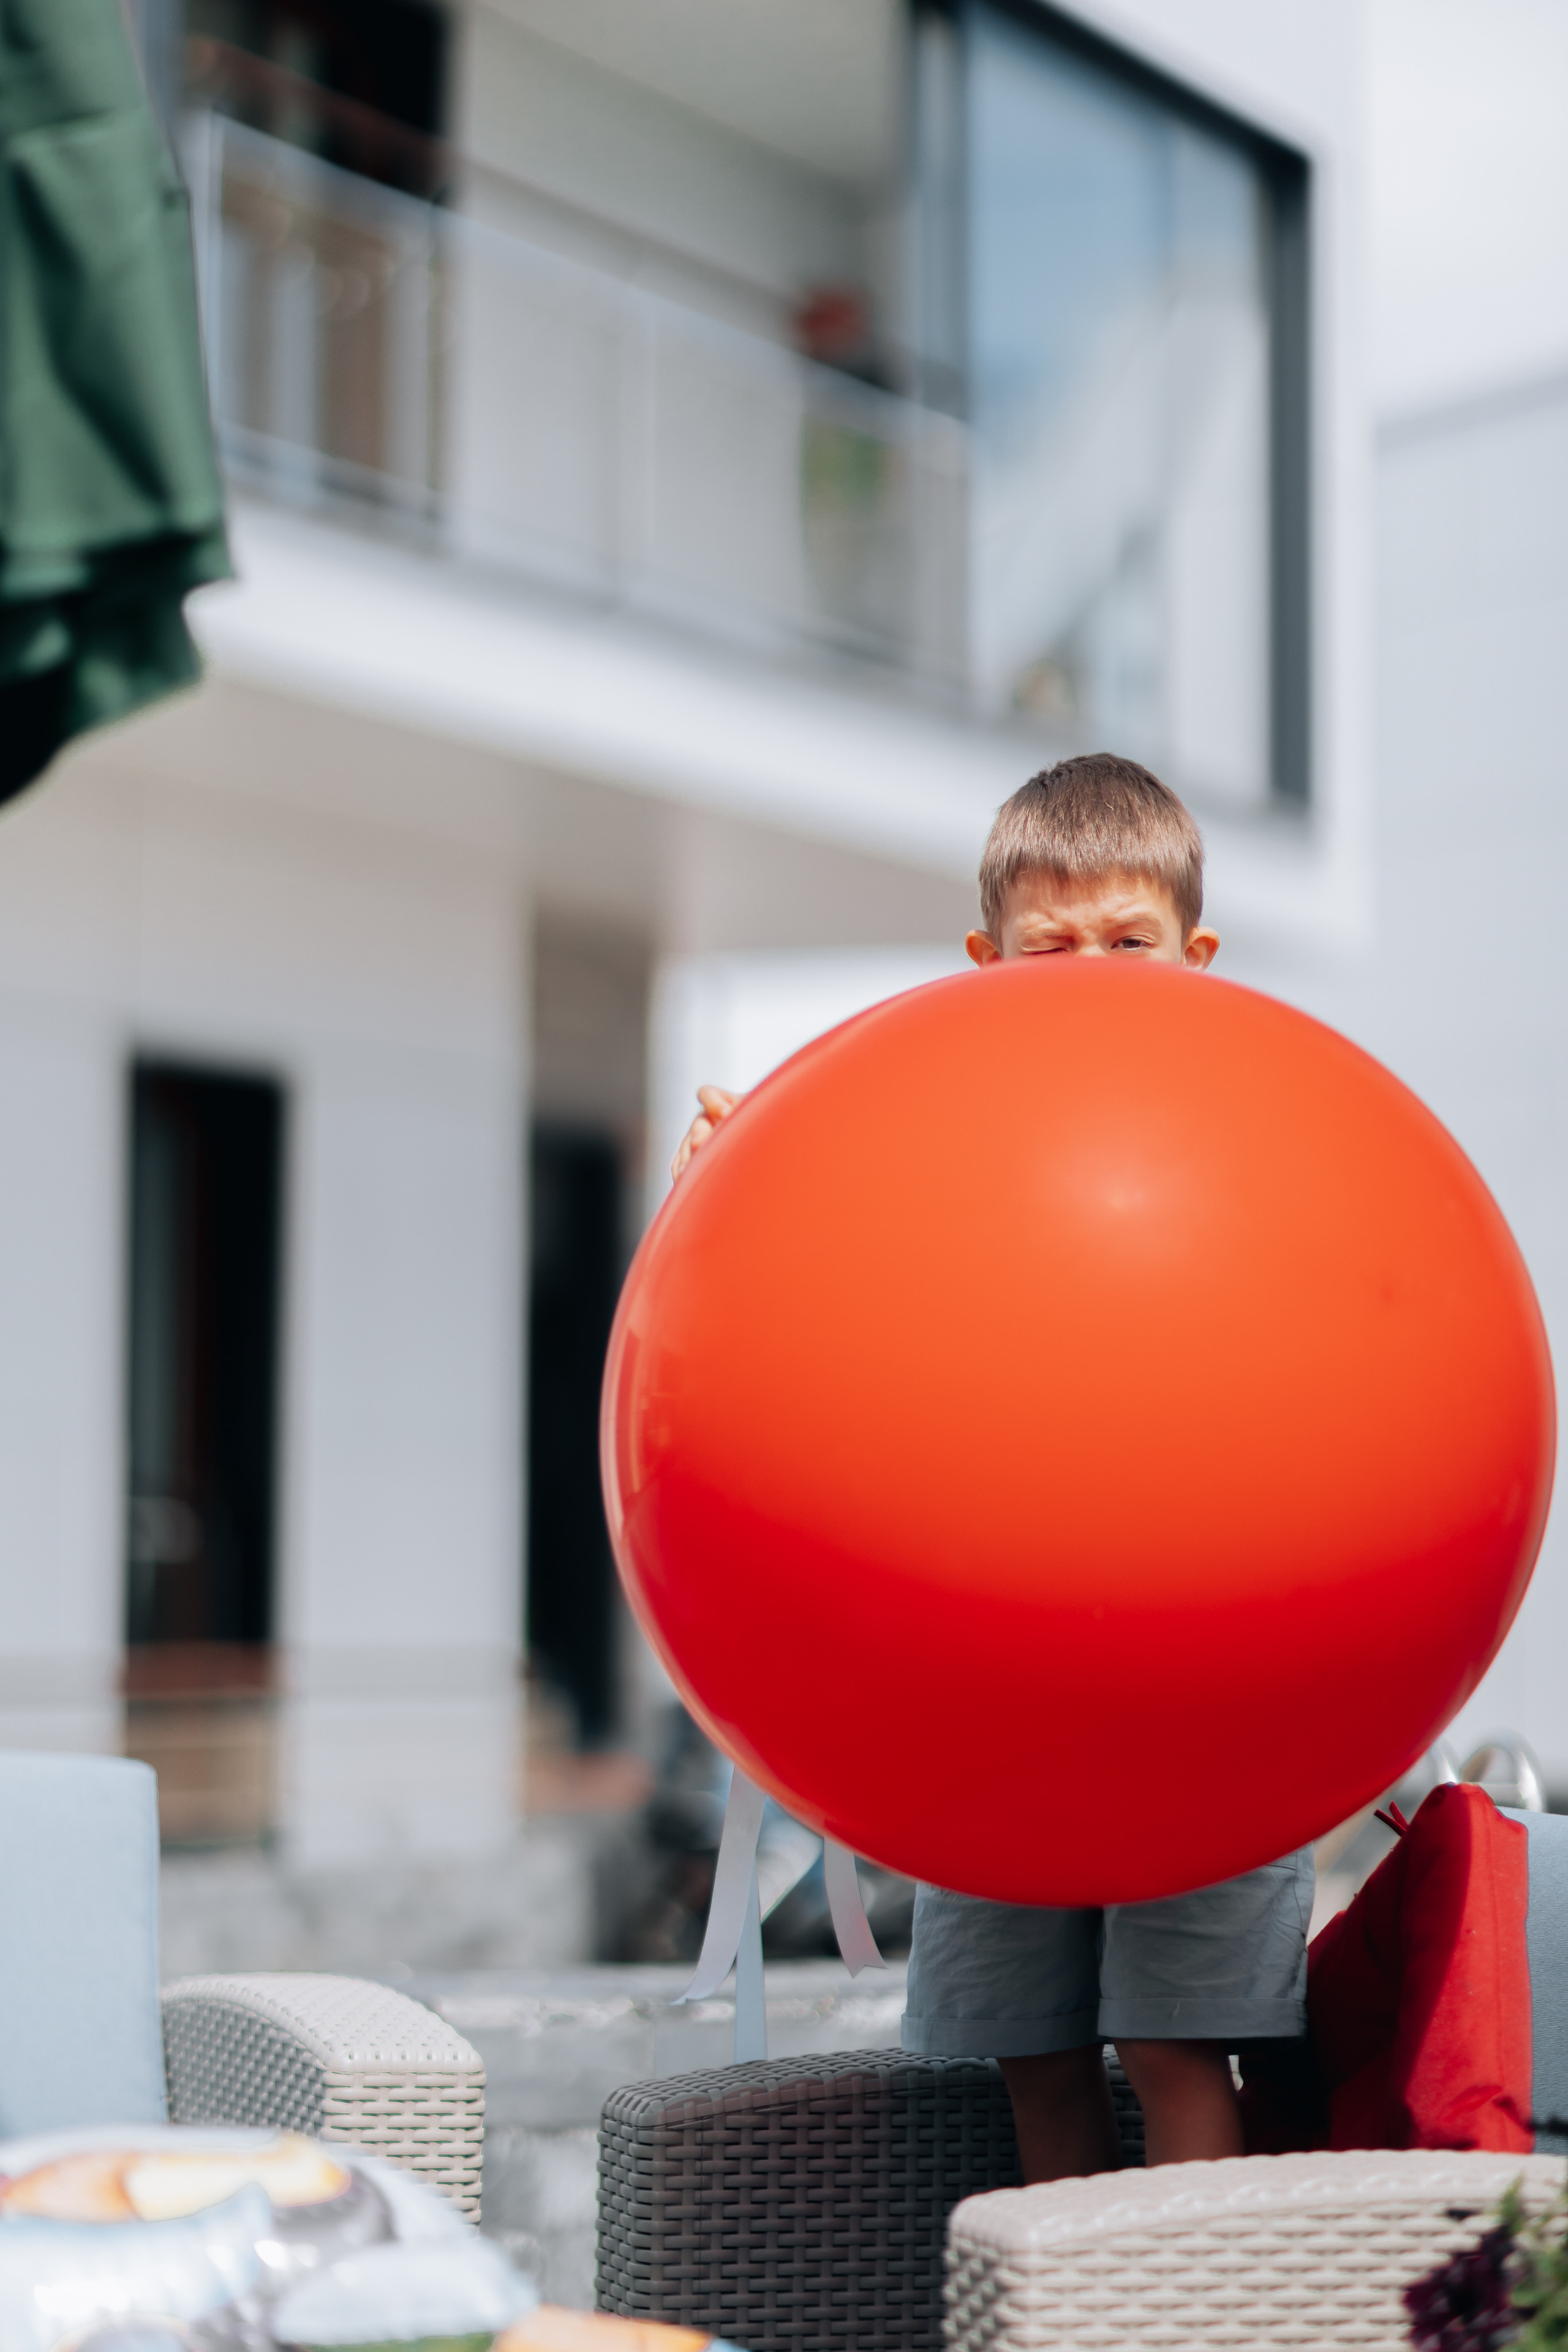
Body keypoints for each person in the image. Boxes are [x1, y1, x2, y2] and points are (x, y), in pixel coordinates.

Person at [668, 752, 1314, 2179]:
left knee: (1174, 2044)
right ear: (984, 965)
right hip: (995, 1688)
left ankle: (1199, 2300)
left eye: (1127, 943)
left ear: (1195, 956)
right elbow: (845, 1339)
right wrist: (737, 1189)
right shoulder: (942, 1148)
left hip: (1206, 1683)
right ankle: (1065, 2294)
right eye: (1048, 947)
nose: (1089, 976)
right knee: (1028, 2046)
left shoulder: (1256, 1136)